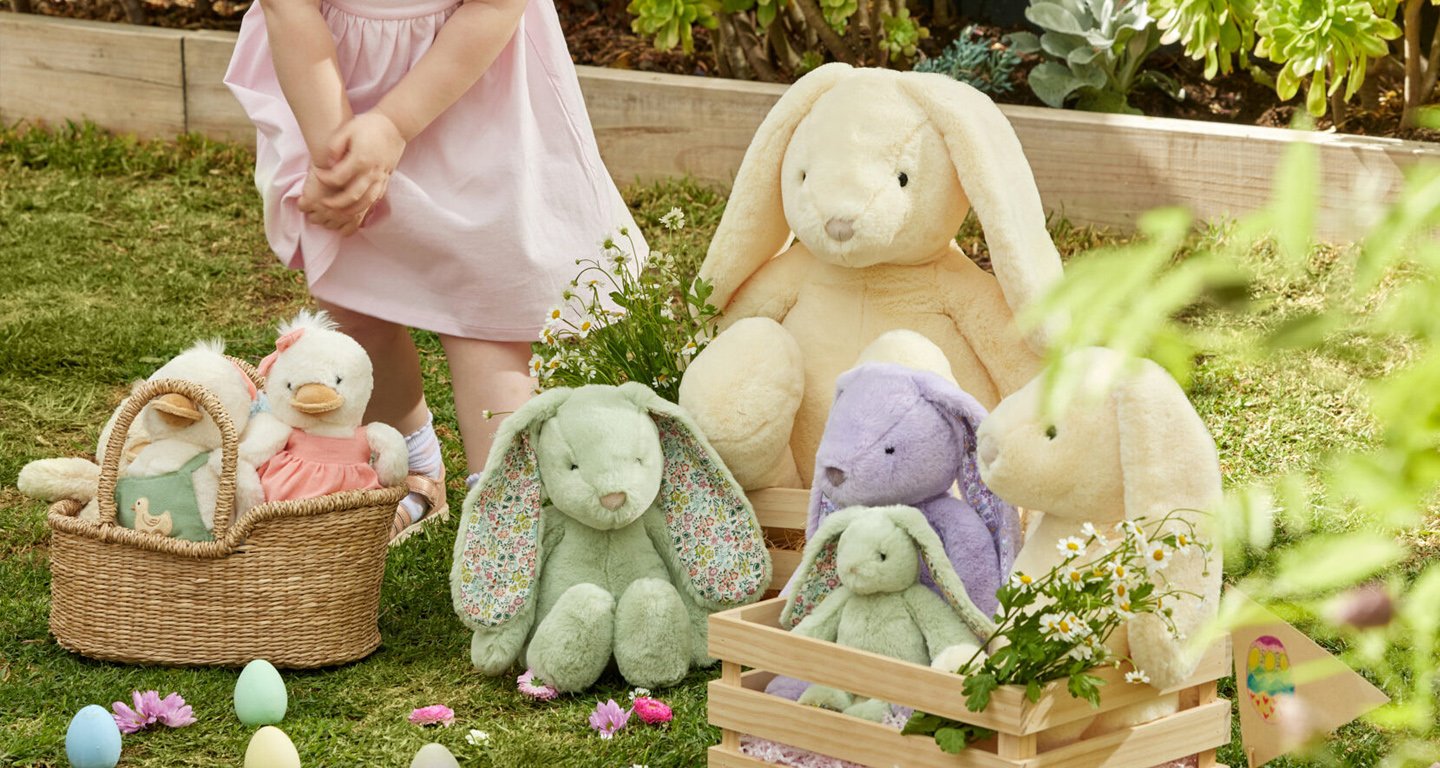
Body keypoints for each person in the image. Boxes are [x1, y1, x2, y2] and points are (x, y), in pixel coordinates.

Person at [225, 0, 642, 541]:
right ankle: (417, 463)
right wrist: (340, 158)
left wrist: (395, 125)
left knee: (486, 324)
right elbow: (290, 10)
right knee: (358, 310)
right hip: (336, 93)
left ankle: (507, 521)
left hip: (472, 95)